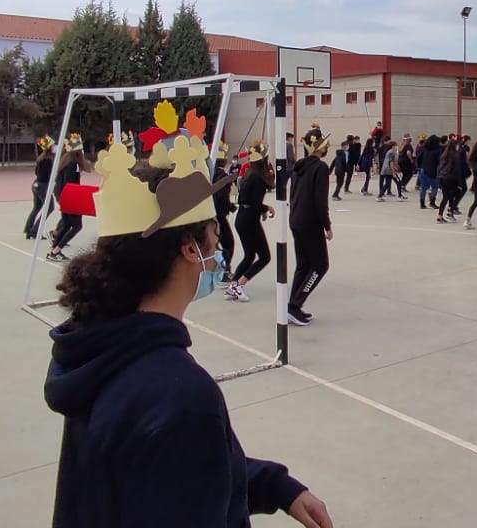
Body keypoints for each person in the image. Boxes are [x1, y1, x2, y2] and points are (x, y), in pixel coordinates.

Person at [43, 133, 332, 528]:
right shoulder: (178, 393)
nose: (218, 251)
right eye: (214, 237)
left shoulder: (99, 346)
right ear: (188, 250)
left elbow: (174, 467)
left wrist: (275, 486)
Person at [288, 136, 333, 325]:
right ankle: (295, 304)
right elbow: (320, 201)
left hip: (296, 219)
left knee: (304, 264)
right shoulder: (320, 168)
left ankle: (292, 306)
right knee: (320, 265)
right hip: (310, 222)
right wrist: (327, 226)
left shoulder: (299, 166)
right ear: (320, 148)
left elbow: (293, 194)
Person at [228, 145, 275, 302]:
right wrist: (267, 208)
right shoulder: (257, 177)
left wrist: (260, 211)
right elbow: (254, 202)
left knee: (249, 255)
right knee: (264, 257)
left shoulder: (249, 173)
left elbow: (247, 199)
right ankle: (239, 285)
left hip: (242, 217)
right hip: (249, 220)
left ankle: (233, 284)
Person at [45, 136, 92, 262]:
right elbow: (71, 183)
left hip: (64, 196)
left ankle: (53, 251)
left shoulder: (65, 162)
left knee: (66, 225)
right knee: (77, 226)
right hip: (70, 197)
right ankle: (56, 250)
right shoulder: (73, 164)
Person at [212, 154, 237, 285]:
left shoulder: (208, 173)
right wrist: (229, 207)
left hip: (208, 214)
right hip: (219, 215)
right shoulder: (222, 177)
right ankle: (224, 272)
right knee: (228, 243)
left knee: (214, 244)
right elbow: (221, 197)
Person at [24, 136, 55, 239]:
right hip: (43, 186)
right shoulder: (48, 161)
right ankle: (35, 230)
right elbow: (47, 175)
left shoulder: (40, 159)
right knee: (49, 208)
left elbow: (37, 172)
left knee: (37, 207)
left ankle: (29, 229)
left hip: (36, 184)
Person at [417, 135, 443, 210]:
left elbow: (419, 158)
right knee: (435, 187)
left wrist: (419, 166)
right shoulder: (437, 151)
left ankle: (422, 203)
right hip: (432, 171)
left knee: (423, 187)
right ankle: (432, 202)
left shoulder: (424, 149)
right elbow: (439, 161)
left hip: (423, 170)